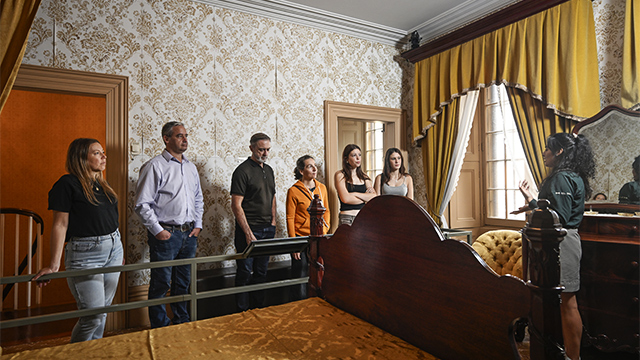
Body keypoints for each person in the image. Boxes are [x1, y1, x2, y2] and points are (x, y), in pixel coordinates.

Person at [513, 133, 595, 360]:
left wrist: (533, 205)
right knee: (562, 303)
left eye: (547, 148)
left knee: (568, 303)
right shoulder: (571, 176)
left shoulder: (562, 178)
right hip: (559, 241)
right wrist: (531, 199)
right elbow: (554, 213)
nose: (543, 153)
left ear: (559, 151)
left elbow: (559, 217)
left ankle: (573, 358)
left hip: (561, 243)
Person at [33, 138, 123, 343]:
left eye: (102, 152)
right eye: (97, 153)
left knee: (103, 313)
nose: (104, 156)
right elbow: (60, 225)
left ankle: (93, 353)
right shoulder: (67, 184)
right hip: (85, 253)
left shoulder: (102, 184)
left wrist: (117, 252)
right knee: (92, 316)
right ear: (81, 157)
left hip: (114, 250)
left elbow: (111, 219)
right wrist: (54, 266)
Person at [134, 122, 203, 328]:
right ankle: (160, 327)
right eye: (179, 136)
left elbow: (198, 198)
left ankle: (182, 322)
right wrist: (159, 231)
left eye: (186, 136)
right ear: (166, 138)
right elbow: (142, 204)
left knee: (183, 283)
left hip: (189, 234)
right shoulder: (154, 166)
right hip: (167, 235)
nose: (185, 140)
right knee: (161, 283)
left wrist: (197, 225)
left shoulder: (191, 167)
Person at [231, 132, 276, 311]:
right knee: (244, 273)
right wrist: (248, 233)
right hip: (249, 231)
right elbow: (236, 205)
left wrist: (273, 222)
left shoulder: (269, 170)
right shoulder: (242, 171)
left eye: (267, 150)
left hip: (267, 229)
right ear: (251, 148)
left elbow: (272, 197)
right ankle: (242, 313)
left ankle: (258, 310)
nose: (265, 153)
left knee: (261, 272)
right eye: (261, 149)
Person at [285, 155, 330, 300]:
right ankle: (298, 303)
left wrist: (324, 230)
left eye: (314, 165)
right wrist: (294, 244)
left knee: (318, 271)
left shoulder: (322, 188)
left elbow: (327, 211)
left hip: (318, 237)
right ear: (301, 170)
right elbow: (290, 218)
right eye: (310, 166)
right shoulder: (293, 191)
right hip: (301, 238)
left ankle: (317, 302)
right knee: (300, 272)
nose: (315, 169)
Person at [334, 144, 376, 226]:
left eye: (359, 155)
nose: (358, 158)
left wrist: (354, 194)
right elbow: (345, 199)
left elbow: (373, 197)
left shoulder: (364, 177)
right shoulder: (340, 175)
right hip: (347, 218)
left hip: (363, 218)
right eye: (354, 155)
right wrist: (365, 197)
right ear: (346, 159)